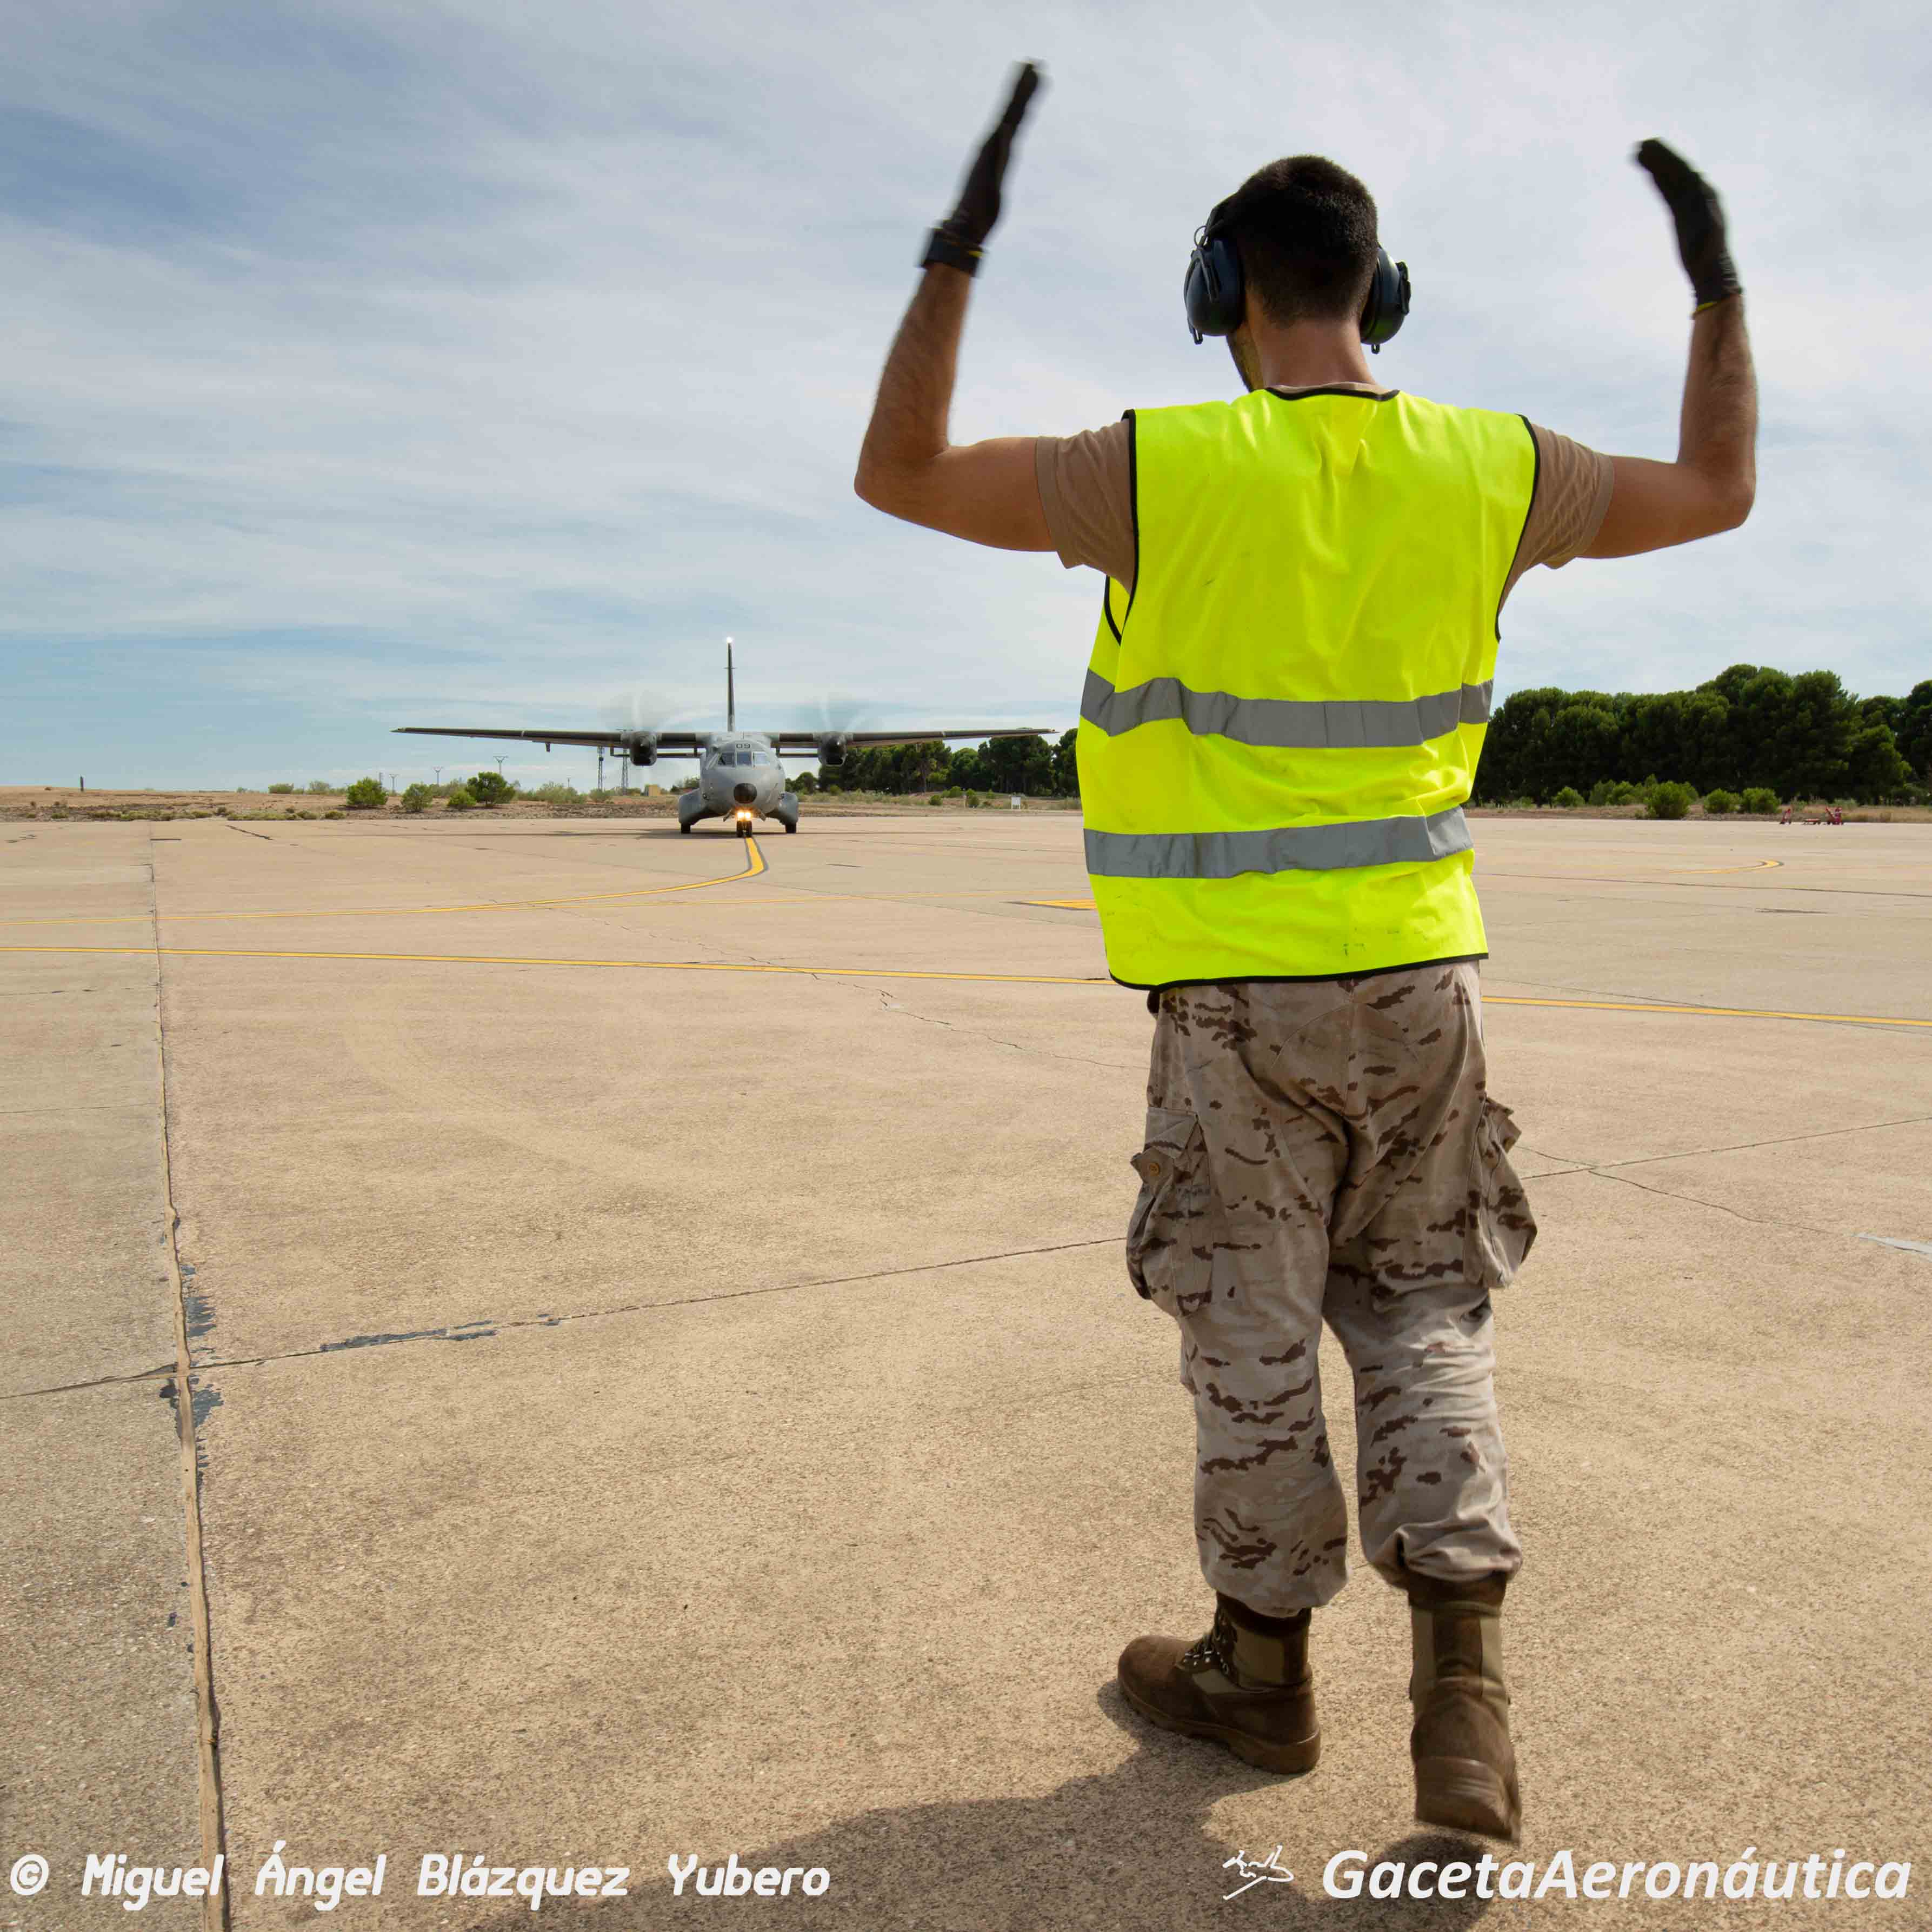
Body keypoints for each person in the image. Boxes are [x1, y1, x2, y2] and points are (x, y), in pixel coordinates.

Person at [854, 65, 1756, 1843]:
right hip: (1425, 986)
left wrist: (953, 251)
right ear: (1381, 292)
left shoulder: (1157, 467)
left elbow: (901, 473)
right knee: (1424, 1312)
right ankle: (1464, 1706)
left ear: (1224, 293)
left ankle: (1260, 1678)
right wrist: (1715, 282)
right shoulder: (1496, 466)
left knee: (1252, 1334)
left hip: (1237, 1005)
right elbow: (1718, 489)